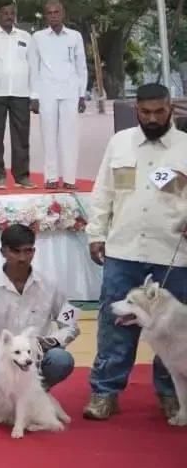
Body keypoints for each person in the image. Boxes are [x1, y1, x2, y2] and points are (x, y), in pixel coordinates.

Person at [83, 82, 187, 423]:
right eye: (145, 112)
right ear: (136, 110)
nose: (152, 118)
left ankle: (171, 396)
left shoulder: (186, 147)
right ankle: (105, 392)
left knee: (173, 331)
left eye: (159, 111)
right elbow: (103, 191)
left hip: (173, 253)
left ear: (170, 109)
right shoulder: (120, 142)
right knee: (114, 323)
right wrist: (96, 233)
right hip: (123, 249)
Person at [0, 224, 79, 421]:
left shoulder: (51, 284)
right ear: (3, 252)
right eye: (15, 251)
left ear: (34, 251)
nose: (22, 258)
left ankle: (34, 392)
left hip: (35, 362)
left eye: (28, 251)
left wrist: (52, 341)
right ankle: (13, 396)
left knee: (61, 359)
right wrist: (1, 361)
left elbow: (71, 324)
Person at [30, 0, 88, 190]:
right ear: (46, 16)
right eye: (50, 13)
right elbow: (33, 68)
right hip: (46, 92)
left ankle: (70, 178)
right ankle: (51, 177)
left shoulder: (75, 36)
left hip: (70, 91)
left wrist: (82, 94)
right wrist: (34, 96)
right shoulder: (38, 37)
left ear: (62, 14)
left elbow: (81, 67)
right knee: (48, 135)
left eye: (57, 12)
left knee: (70, 136)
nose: (53, 16)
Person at [0, 0, 35, 189]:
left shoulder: (25, 37)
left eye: (11, 13)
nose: (8, 16)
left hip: (21, 93)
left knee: (21, 136)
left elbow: (33, 66)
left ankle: (22, 176)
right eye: (5, 13)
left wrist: (34, 94)